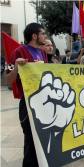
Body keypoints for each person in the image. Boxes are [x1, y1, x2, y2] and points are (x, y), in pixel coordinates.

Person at [6, 23, 48, 166]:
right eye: (43, 33)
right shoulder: (19, 52)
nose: (45, 36)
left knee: (43, 138)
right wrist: (17, 66)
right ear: (34, 35)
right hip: (29, 103)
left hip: (44, 102)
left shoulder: (42, 52)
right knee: (30, 140)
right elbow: (8, 79)